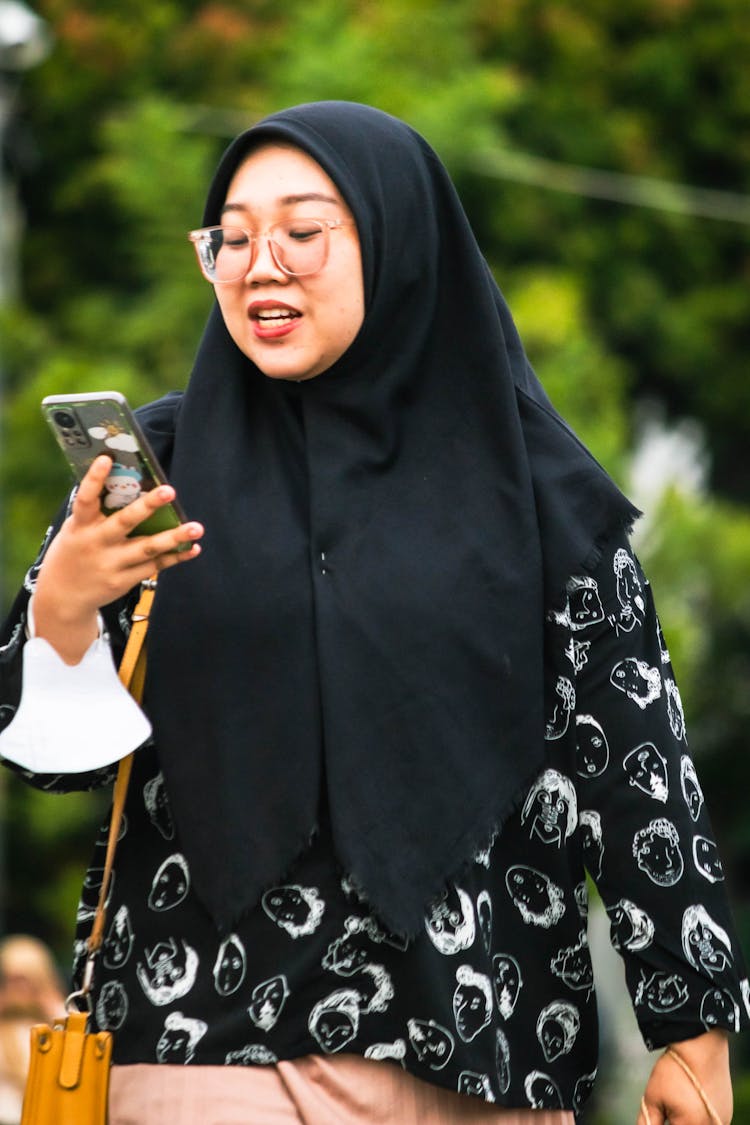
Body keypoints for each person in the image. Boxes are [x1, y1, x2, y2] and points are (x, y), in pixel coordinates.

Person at [0, 100, 746, 1124]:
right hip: (201, 1044)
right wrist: (63, 610)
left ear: (399, 242)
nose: (261, 265)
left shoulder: (535, 488)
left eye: (303, 232)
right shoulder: (161, 473)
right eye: (232, 238)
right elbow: (47, 760)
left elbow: (634, 764)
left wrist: (691, 1028)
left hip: (485, 1047)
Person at [0, 935, 66, 1125]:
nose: (17, 988)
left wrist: (50, 1004)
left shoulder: (58, 1024)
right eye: (10, 979)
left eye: (24, 979)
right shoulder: (5, 1027)